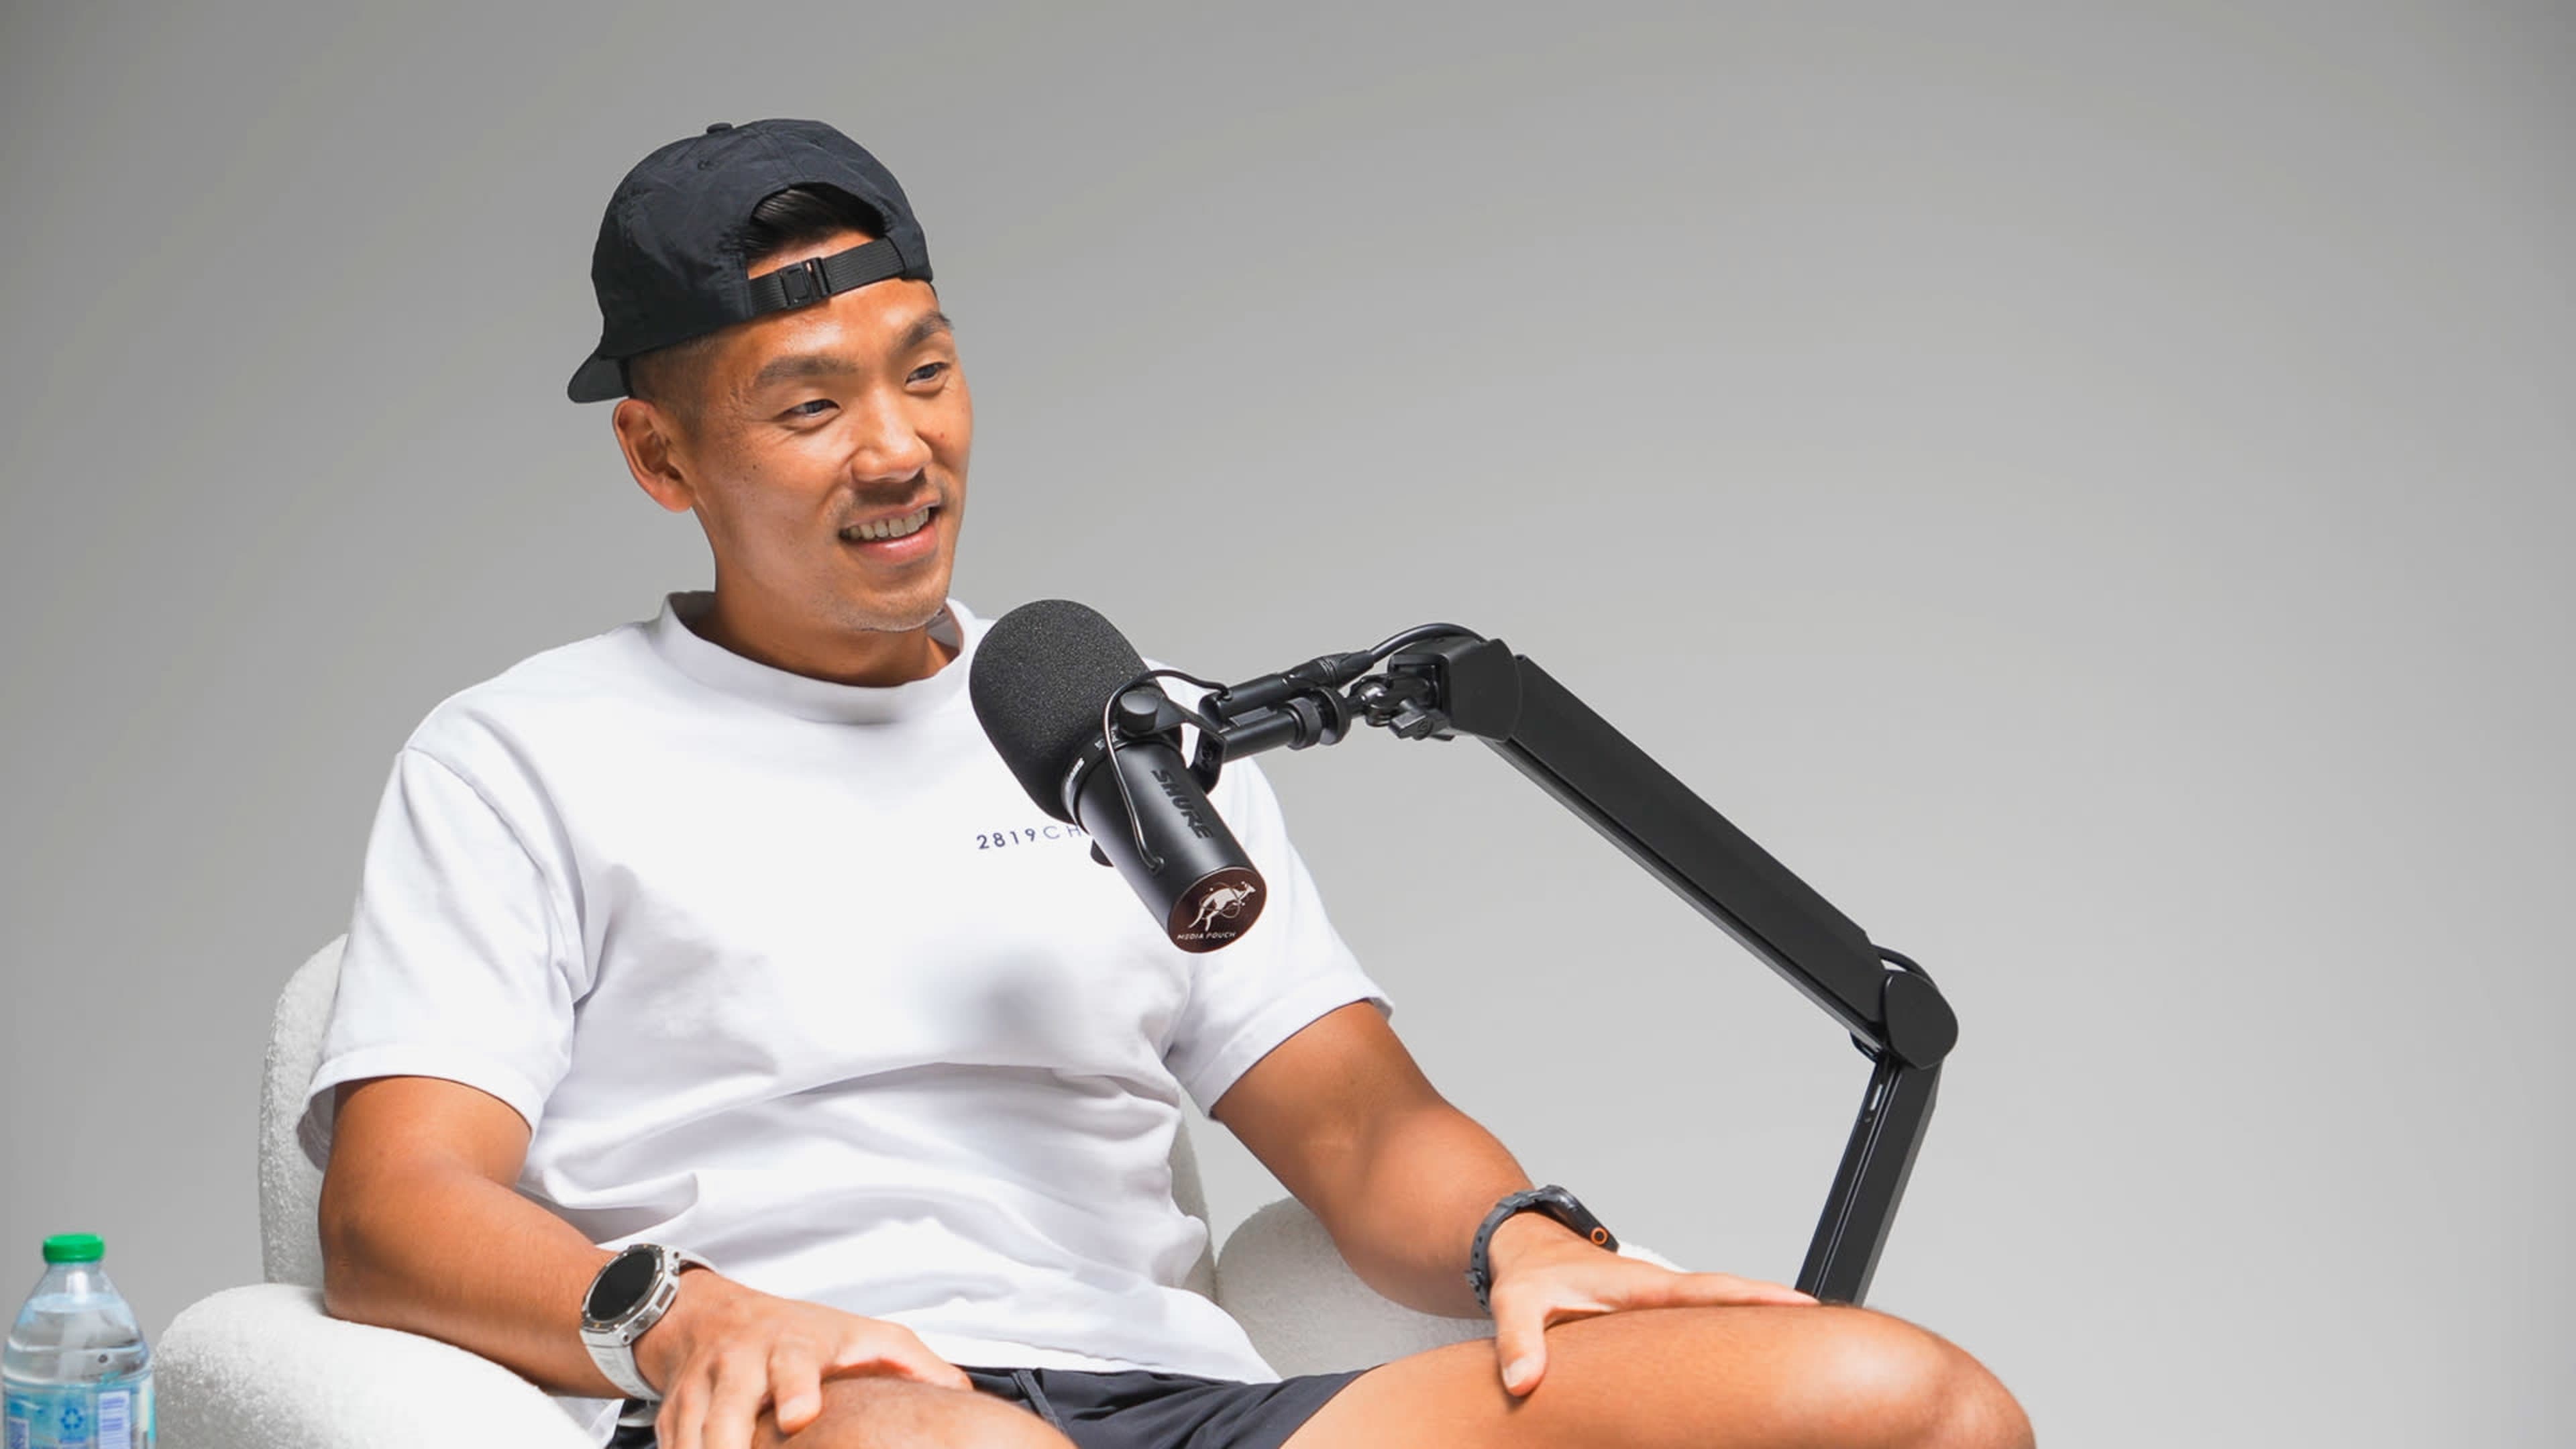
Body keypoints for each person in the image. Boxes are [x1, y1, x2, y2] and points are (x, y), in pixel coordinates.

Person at [303, 117, 2034, 1449]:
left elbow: (1361, 1127)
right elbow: (396, 1213)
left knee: (1901, 1401)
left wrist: (1523, 1238)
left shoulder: (1121, 741)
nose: (900, 447)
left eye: (925, 368)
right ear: (661, 455)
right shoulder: (527, 752)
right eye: (809, 405)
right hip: (823, 1397)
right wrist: (667, 1315)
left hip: (1174, 1400)